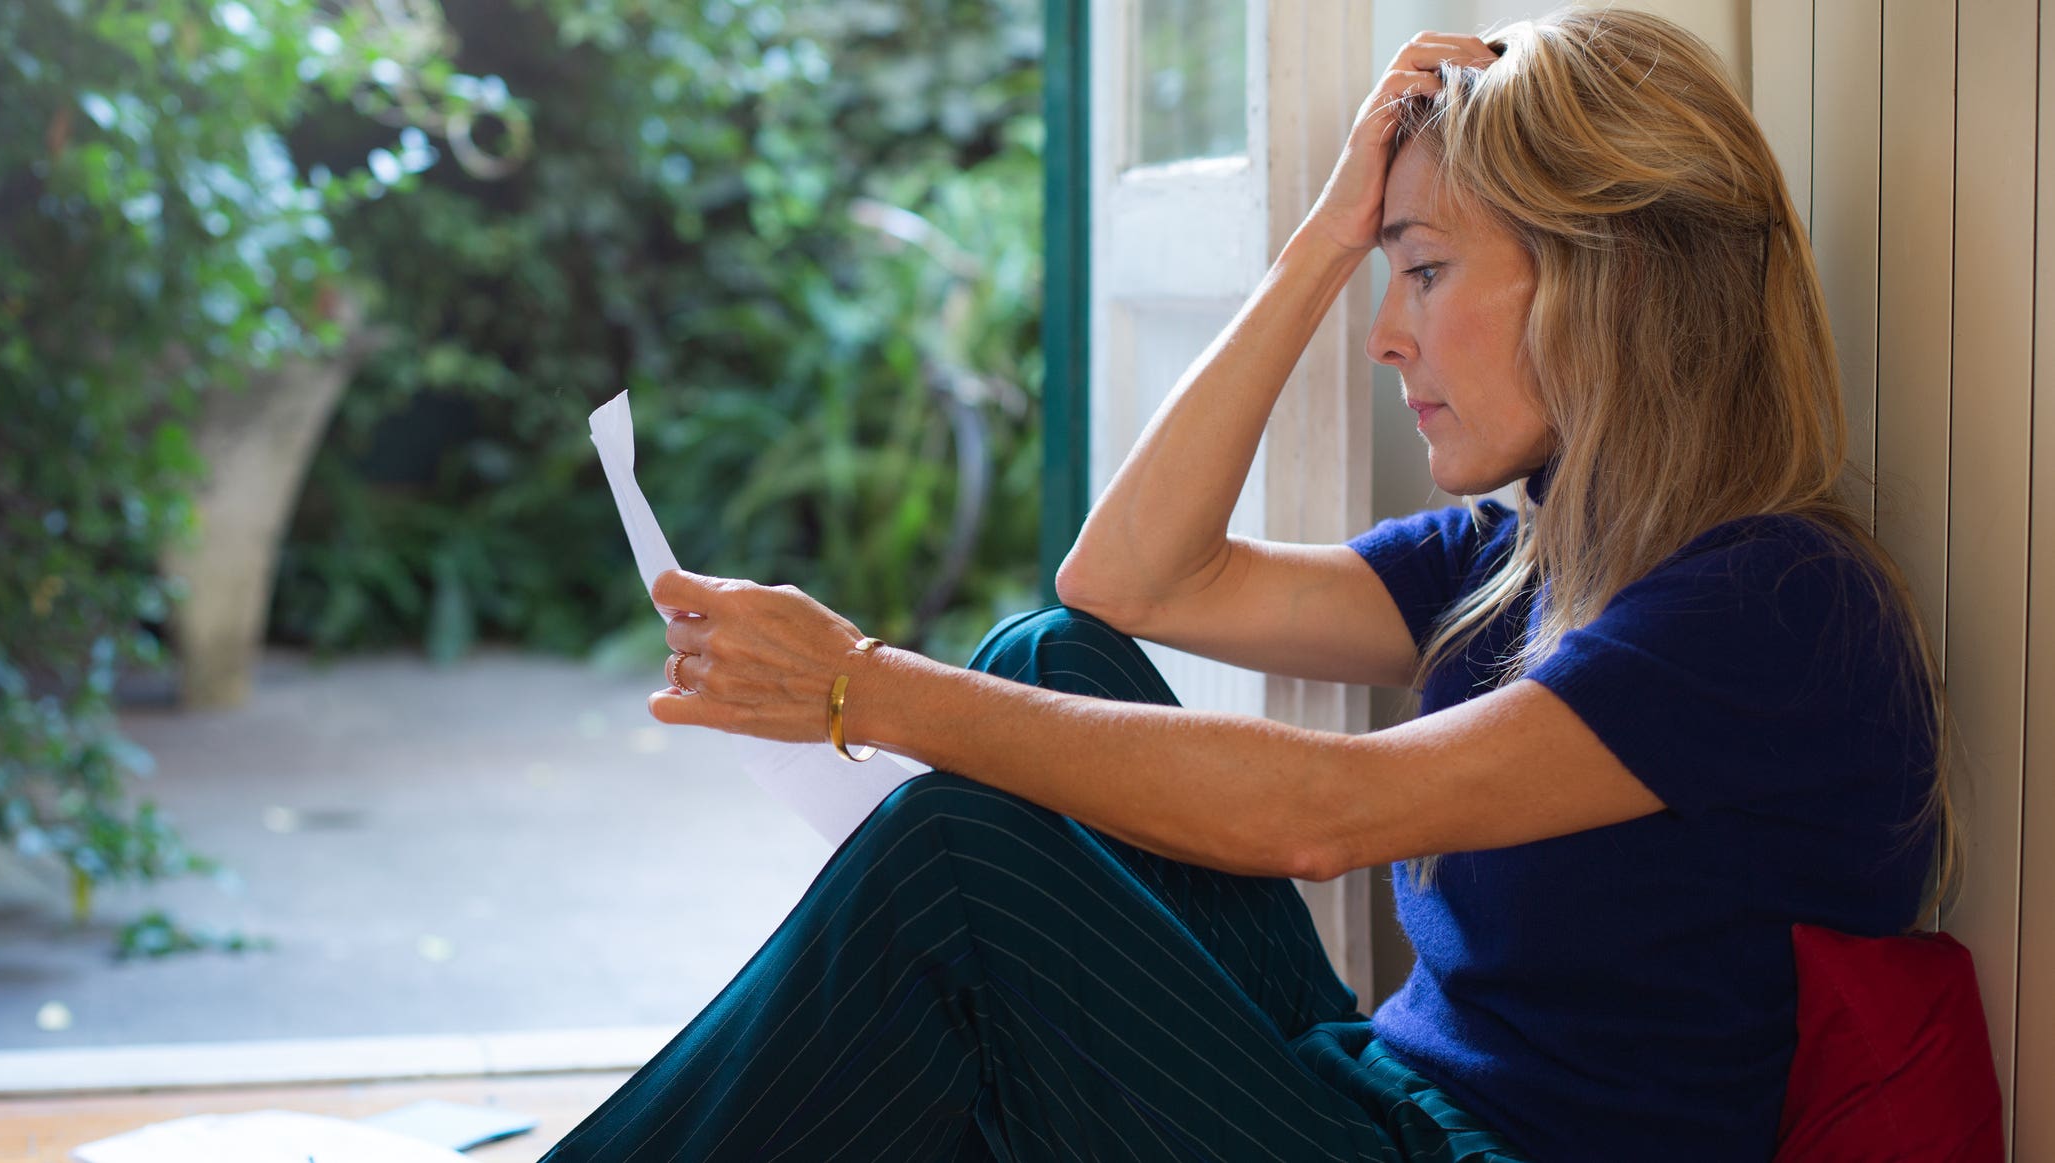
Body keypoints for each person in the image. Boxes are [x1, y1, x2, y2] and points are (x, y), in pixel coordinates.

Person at [540, 8, 1955, 1162]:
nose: (1385, 338)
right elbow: (1130, 579)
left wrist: (864, 686)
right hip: (1376, 1095)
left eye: (1428, 271)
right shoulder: (1531, 547)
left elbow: (1325, 816)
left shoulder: (1777, 605)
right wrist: (1328, 236)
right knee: (1051, 657)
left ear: (1617, 280)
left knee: (963, 867)